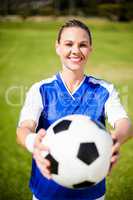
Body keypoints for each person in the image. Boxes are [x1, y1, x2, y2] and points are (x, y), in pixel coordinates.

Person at [16, 19, 132, 200]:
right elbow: (24, 128)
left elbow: (124, 123)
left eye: (83, 45)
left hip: (91, 194)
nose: (76, 51)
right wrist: (33, 142)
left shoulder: (104, 90)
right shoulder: (41, 89)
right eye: (69, 44)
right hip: (46, 192)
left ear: (90, 49)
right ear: (58, 47)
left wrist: (115, 138)